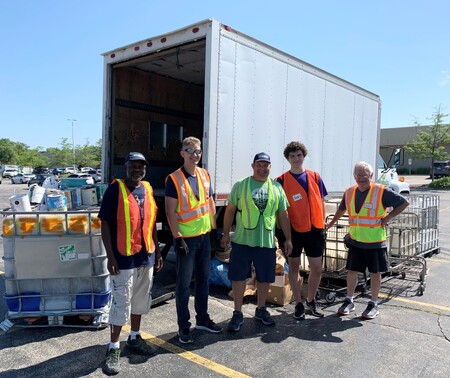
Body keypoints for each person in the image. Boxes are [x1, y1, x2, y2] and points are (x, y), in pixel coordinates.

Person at [99, 152, 163, 375]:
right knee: (121, 303)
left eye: (141, 166)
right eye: (133, 166)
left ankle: (134, 337)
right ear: (125, 167)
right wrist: (111, 256)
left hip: (146, 256)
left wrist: (158, 252)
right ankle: (114, 347)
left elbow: (152, 222)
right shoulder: (115, 189)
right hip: (123, 259)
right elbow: (105, 224)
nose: (138, 169)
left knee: (140, 301)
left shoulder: (148, 188)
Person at [326, 161, 409, 319]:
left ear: (371, 176)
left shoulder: (381, 191)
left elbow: (404, 202)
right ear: (354, 176)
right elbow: (341, 209)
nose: (361, 178)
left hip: (375, 242)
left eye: (365, 175)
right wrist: (330, 223)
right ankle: (349, 300)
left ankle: (373, 303)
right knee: (351, 272)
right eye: (358, 175)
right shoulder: (350, 192)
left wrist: (387, 218)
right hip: (356, 240)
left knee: (375, 273)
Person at [221, 152, 293, 332]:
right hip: (242, 241)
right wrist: (225, 234)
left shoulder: (277, 188)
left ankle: (261, 310)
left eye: (265, 165)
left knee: (265, 278)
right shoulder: (241, 185)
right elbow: (230, 210)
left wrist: (289, 239)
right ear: (253, 166)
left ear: (270, 167)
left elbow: (283, 215)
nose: (262, 168)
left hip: (266, 242)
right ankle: (237, 313)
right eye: (258, 165)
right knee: (238, 277)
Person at [165, 137, 222, 344]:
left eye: (197, 151)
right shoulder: (174, 179)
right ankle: (183, 326)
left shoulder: (204, 174)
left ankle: (203, 319)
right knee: (183, 285)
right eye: (189, 150)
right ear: (182, 153)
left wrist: (214, 229)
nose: (194, 154)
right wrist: (178, 238)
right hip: (186, 240)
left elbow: (210, 202)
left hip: (204, 237)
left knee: (203, 281)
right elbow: (170, 212)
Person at [276, 141, 328, 320]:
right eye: (292, 156)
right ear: (287, 159)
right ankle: (298, 303)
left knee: (316, 268)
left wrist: (324, 222)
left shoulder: (315, 176)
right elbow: (280, 210)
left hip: (315, 230)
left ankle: (311, 300)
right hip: (294, 232)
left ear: (303, 156)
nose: (296, 159)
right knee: (294, 267)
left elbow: (321, 201)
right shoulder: (281, 181)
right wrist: (285, 235)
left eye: (299, 155)